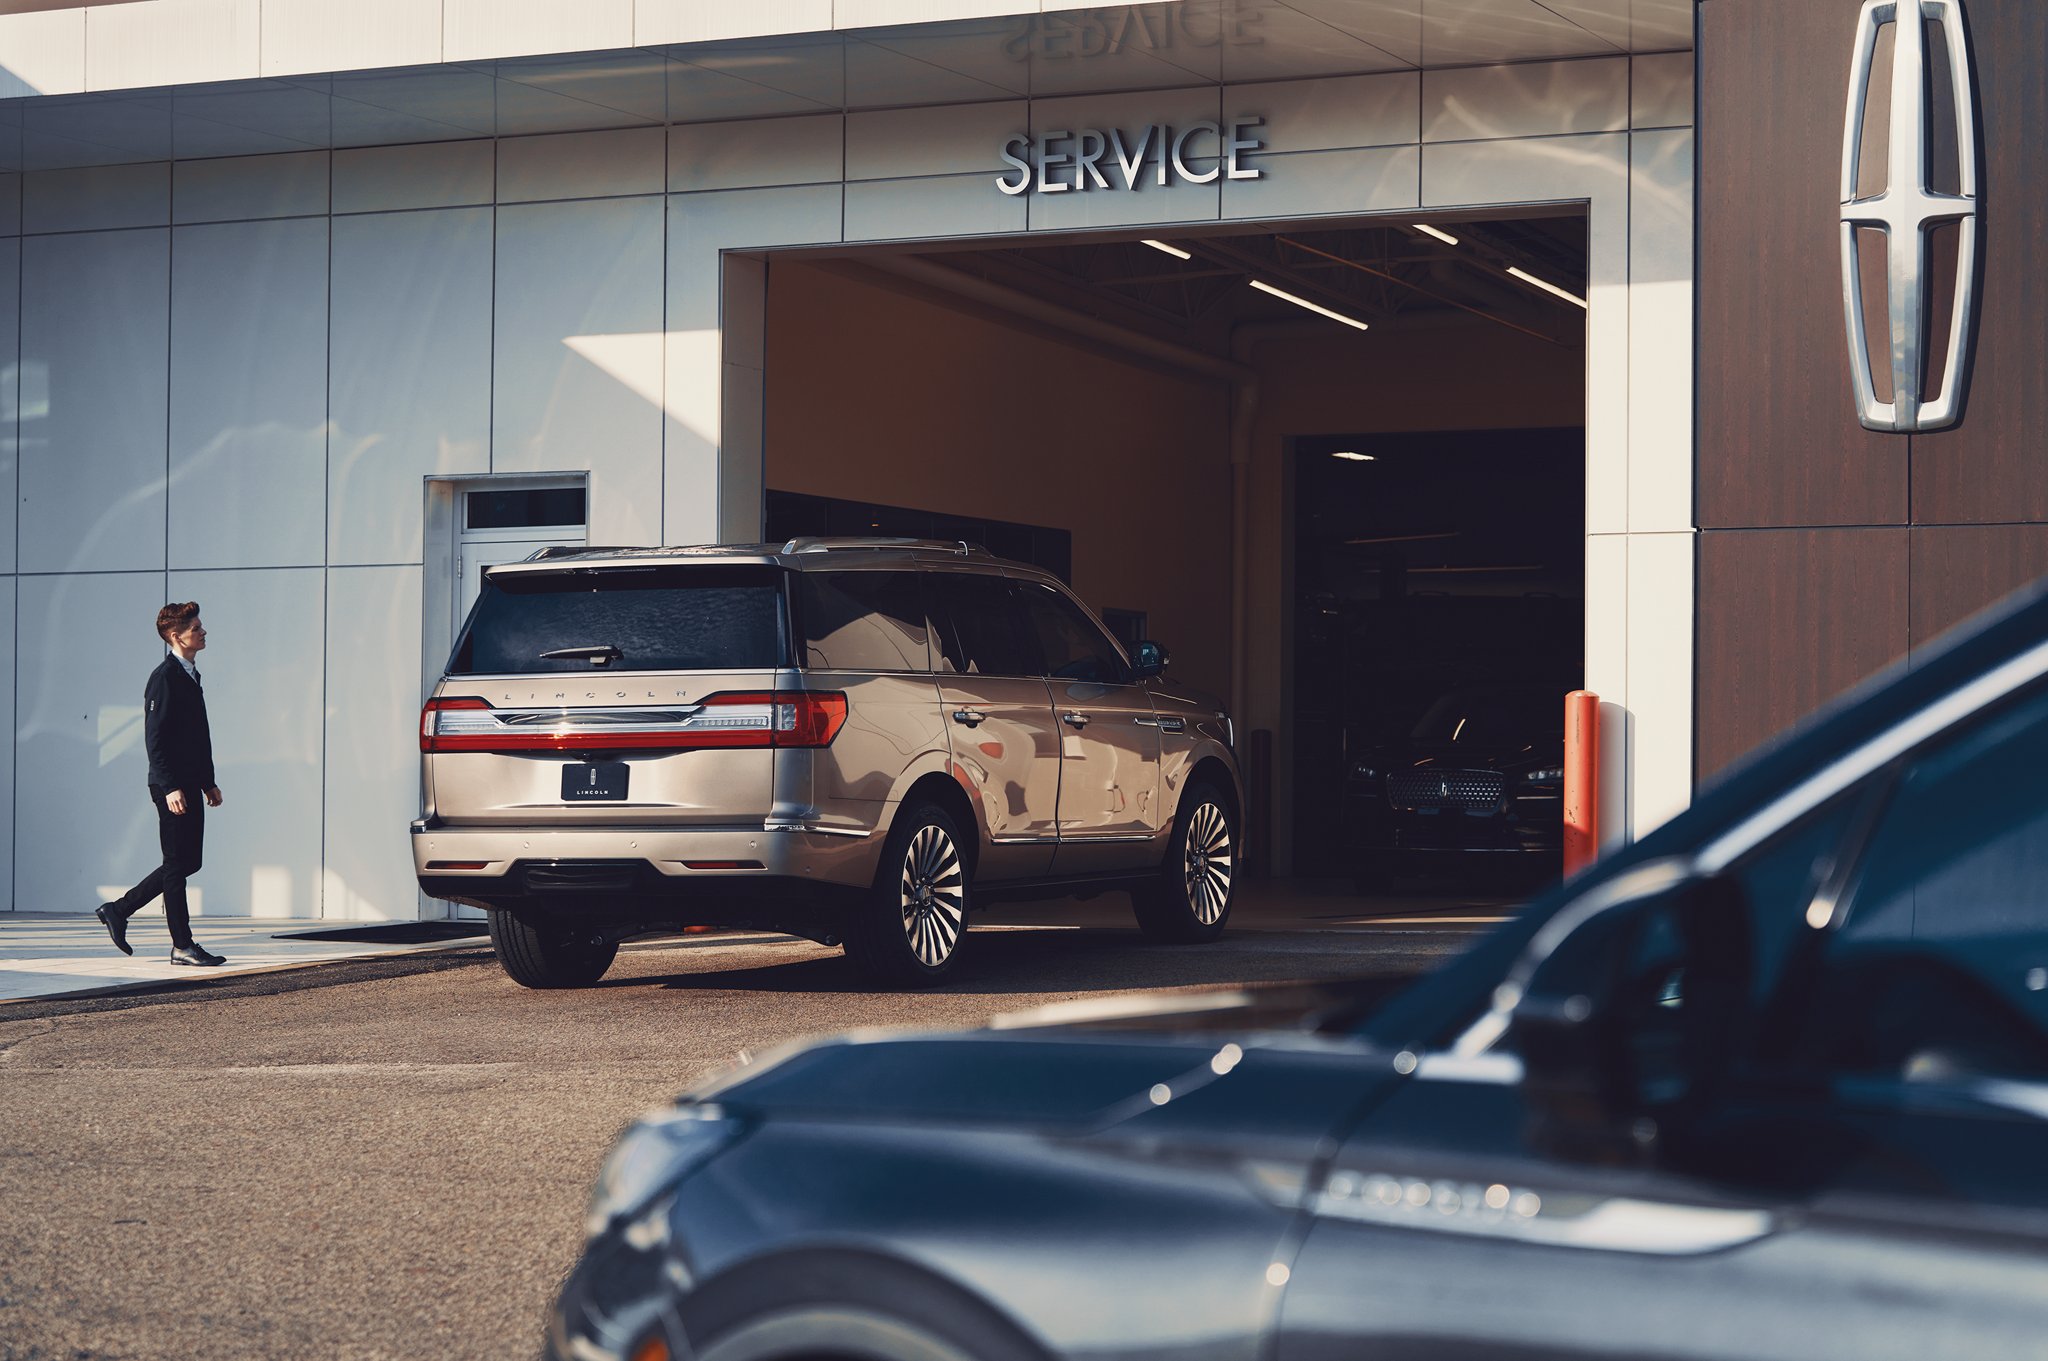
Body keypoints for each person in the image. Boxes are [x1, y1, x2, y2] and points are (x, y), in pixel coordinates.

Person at [96, 603, 227, 966]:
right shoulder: (165, 677)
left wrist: (208, 781)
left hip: (188, 783)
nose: (203, 632)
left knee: (187, 862)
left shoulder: (188, 675)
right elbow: (155, 738)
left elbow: (196, 736)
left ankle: (119, 909)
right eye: (196, 627)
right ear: (176, 635)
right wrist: (170, 787)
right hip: (171, 788)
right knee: (176, 863)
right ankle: (182, 945)